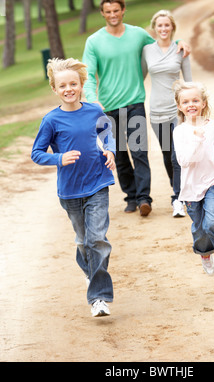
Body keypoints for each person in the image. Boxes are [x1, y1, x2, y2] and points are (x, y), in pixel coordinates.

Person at [82, 0, 190, 216]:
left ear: (123, 10)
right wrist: (92, 99)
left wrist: (180, 42)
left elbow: (163, 45)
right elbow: (88, 74)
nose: (113, 15)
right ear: (102, 13)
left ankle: (144, 199)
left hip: (135, 104)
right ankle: (131, 196)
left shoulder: (138, 35)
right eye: (108, 11)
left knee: (139, 152)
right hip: (107, 108)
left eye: (116, 10)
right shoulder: (94, 41)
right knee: (118, 153)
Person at [31, 57, 116, 317]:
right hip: (70, 191)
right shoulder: (51, 120)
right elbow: (36, 153)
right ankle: (92, 273)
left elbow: (106, 134)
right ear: (54, 89)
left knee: (97, 239)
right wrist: (59, 158)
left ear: (81, 85)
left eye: (73, 84)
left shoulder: (94, 111)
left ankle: (99, 297)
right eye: (62, 85)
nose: (69, 89)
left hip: (98, 184)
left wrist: (111, 151)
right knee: (82, 242)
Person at [173, 80, 214, 285]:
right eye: (186, 101)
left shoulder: (212, 125)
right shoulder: (180, 132)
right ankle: (205, 253)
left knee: (212, 222)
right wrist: (196, 139)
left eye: (195, 100)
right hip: (191, 188)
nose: (191, 104)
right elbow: (183, 160)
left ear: (203, 103)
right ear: (179, 106)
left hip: (213, 181)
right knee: (200, 229)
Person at [141, 9, 192, 218]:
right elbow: (140, 75)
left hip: (176, 110)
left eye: (167, 25)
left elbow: (188, 82)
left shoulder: (181, 50)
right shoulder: (146, 50)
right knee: (166, 154)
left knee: (176, 154)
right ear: (154, 28)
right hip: (156, 110)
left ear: (172, 28)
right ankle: (178, 190)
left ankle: (178, 199)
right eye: (159, 25)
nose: (163, 29)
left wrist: (191, 109)